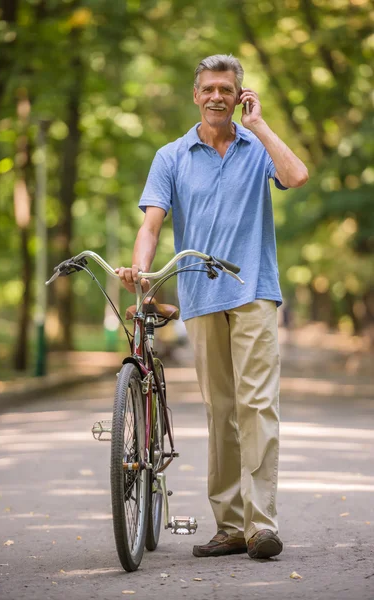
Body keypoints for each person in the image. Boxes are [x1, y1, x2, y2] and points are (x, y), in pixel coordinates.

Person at [116, 54, 308, 560]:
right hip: (201, 297)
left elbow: (298, 174)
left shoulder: (256, 147)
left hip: (254, 292)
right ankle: (229, 526)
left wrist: (261, 125)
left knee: (257, 405)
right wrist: (141, 272)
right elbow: (151, 225)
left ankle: (261, 524)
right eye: (209, 89)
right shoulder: (172, 156)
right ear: (196, 95)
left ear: (239, 94)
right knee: (220, 411)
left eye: (227, 88)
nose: (217, 96)